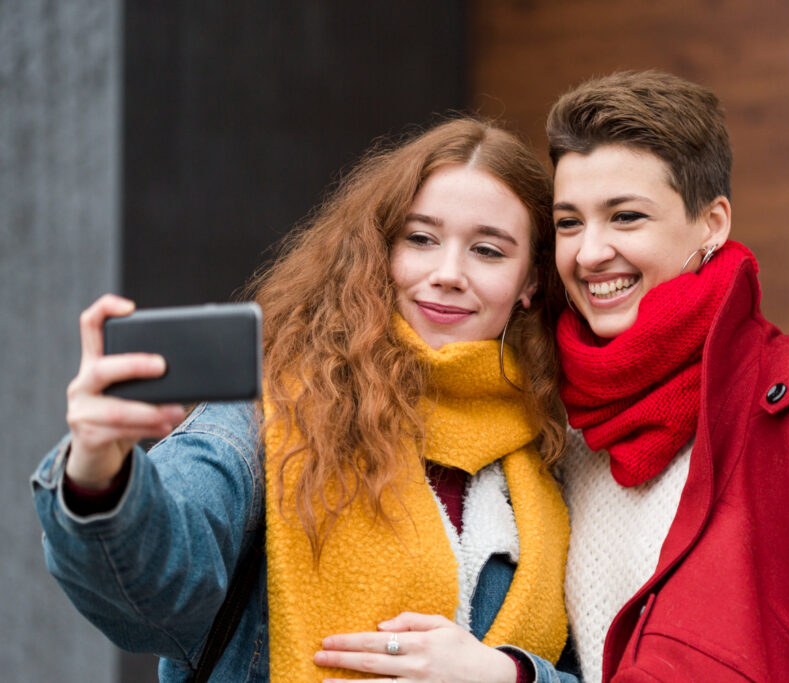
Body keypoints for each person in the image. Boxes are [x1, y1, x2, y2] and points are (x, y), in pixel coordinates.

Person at [323, 71, 789, 682]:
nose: (592, 253)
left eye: (626, 216)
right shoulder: (557, 431)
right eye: (569, 222)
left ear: (711, 223)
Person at [31, 117, 574, 682]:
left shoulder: (552, 453)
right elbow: (157, 590)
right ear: (377, 251)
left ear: (529, 282)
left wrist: (513, 676)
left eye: (488, 250)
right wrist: (99, 475)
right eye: (420, 239)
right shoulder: (274, 412)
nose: (448, 273)